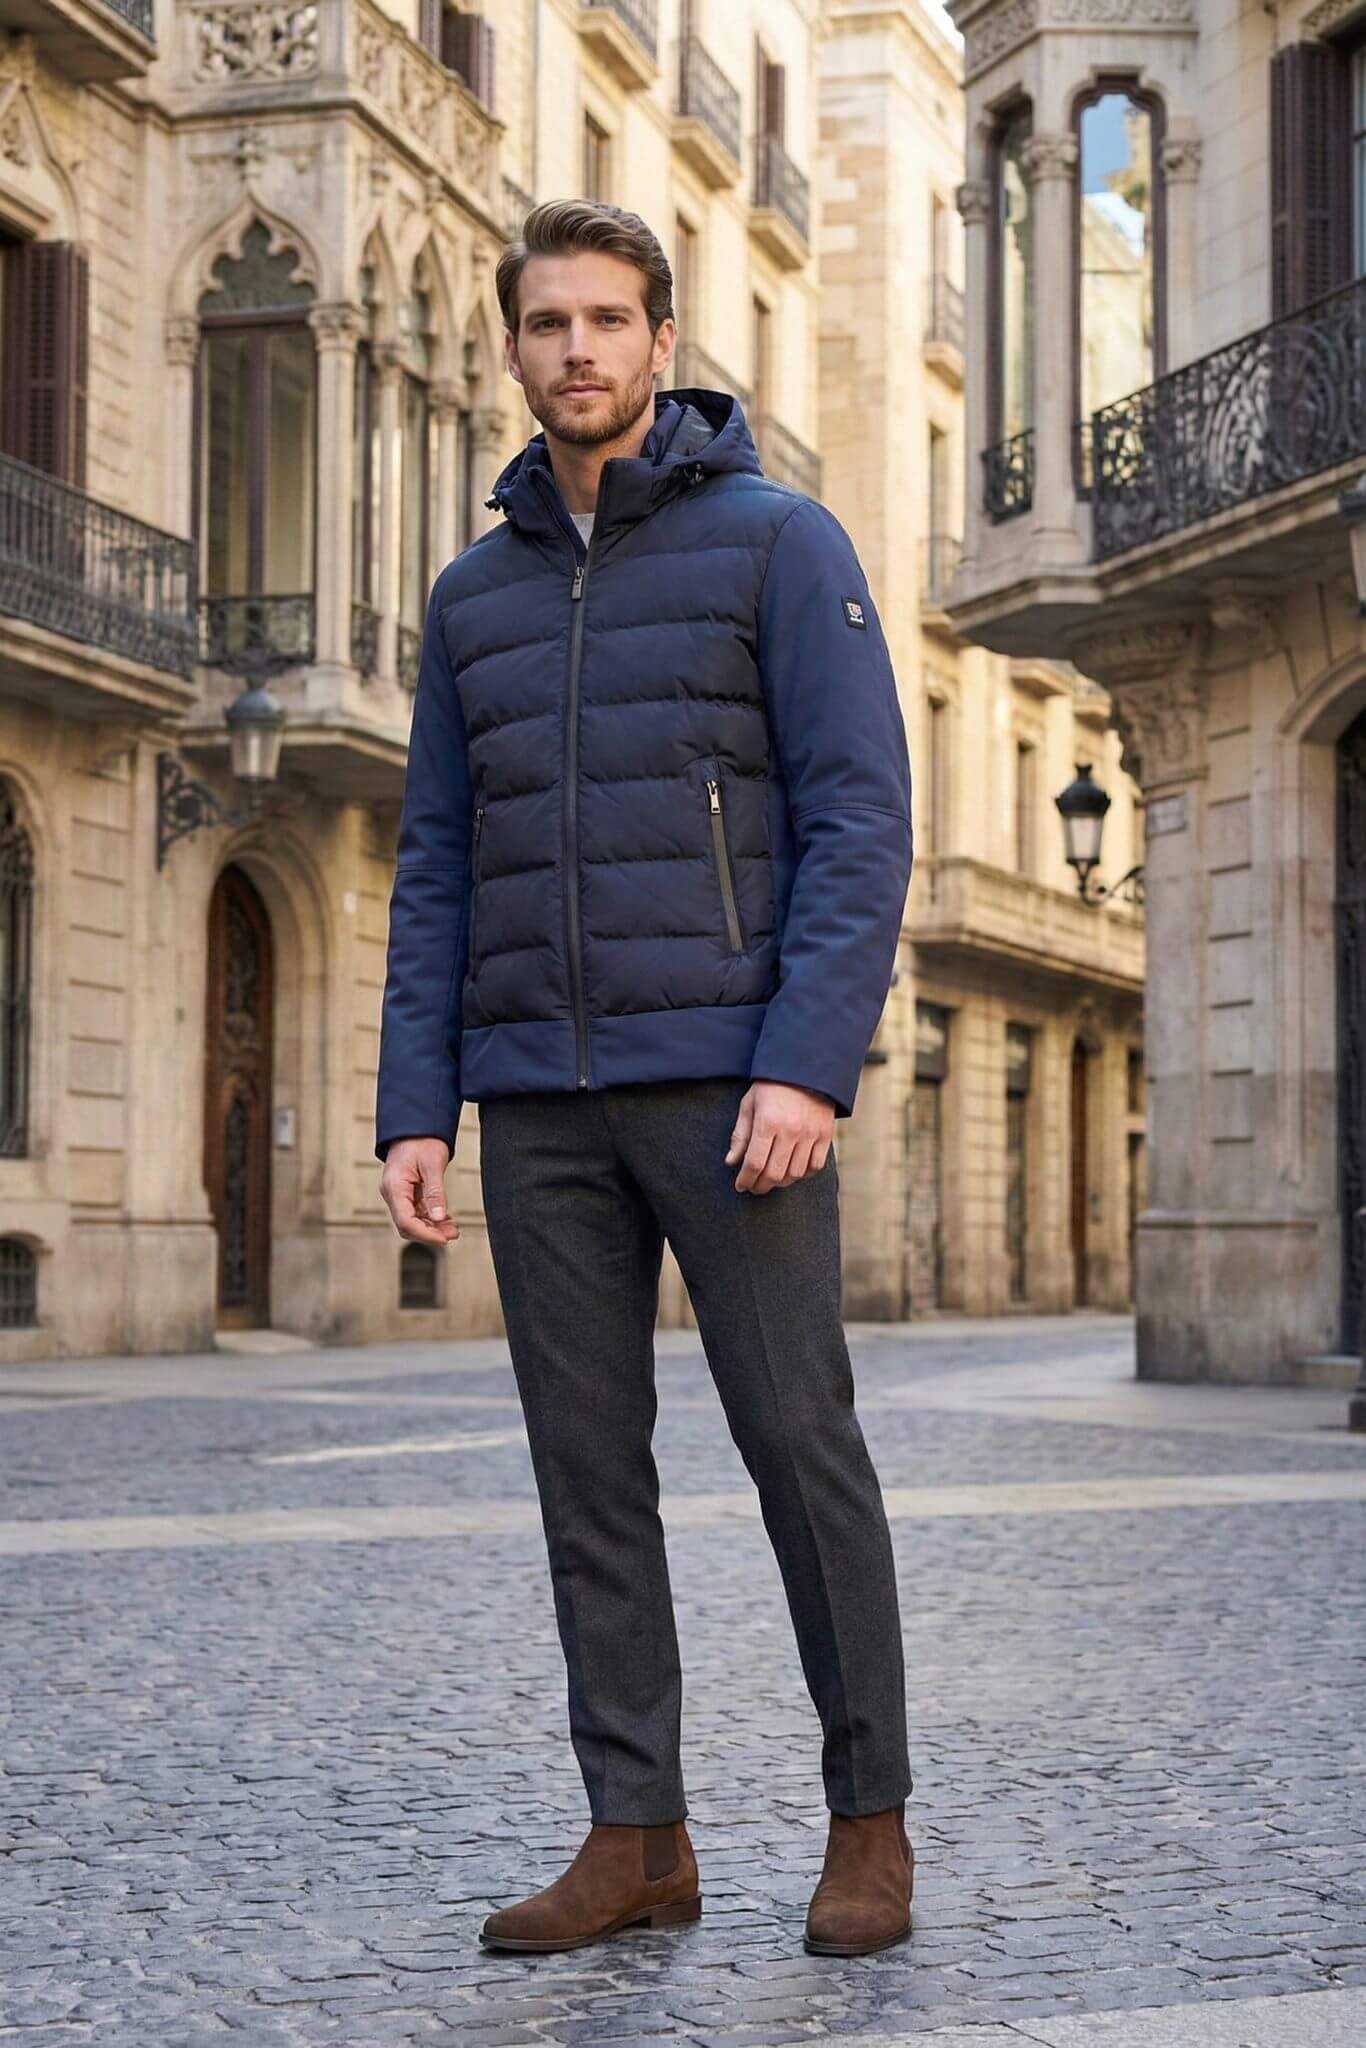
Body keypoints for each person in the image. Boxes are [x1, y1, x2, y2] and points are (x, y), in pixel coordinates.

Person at [375, 198, 915, 1958]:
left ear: (661, 344)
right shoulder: (473, 597)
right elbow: (437, 857)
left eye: (609, 320)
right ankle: (639, 1838)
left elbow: (854, 820)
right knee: (583, 1472)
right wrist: (412, 1103)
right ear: (514, 348)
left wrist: (805, 1065)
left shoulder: (777, 542)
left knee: (798, 1449)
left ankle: (868, 1827)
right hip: (537, 1099)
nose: (579, 351)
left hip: (732, 1093)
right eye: (548, 324)